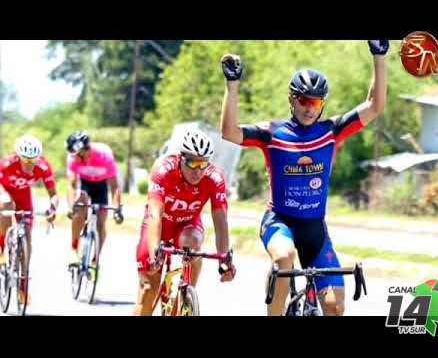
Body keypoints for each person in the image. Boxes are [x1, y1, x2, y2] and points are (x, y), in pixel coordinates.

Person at [220, 40, 389, 316]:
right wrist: (233, 85)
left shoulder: (331, 131)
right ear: (291, 99)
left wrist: (379, 55)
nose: (309, 108)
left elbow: (375, 105)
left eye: (316, 102)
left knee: (335, 308)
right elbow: (229, 132)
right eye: (303, 100)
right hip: (279, 222)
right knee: (284, 257)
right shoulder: (272, 133)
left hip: (314, 229)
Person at [134, 129, 236, 316]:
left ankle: (186, 294)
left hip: (187, 225)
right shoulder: (163, 169)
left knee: (193, 241)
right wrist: (154, 250)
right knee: (148, 288)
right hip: (160, 225)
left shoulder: (215, 178)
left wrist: (224, 258)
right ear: (181, 158)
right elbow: (155, 214)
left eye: (203, 163)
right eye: (192, 162)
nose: (198, 170)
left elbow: (220, 221)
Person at [0, 135, 59, 304]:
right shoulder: (7, 163)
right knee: (6, 205)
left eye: (32, 160)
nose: (28, 164)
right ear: (18, 156)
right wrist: (3, 194)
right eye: (25, 160)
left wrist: (53, 208)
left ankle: (23, 283)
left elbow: (54, 194)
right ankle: (1, 247)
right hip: (6, 191)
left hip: (24, 196)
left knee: (26, 235)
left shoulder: (43, 166)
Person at [65, 131, 124, 272]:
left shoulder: (105, 156)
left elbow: (114, 186)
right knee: (79, 208)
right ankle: (73, 249)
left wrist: (117, 208)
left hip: (101, 186)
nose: (75, 158)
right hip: (85, 185)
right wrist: (71, 206)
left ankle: (95, 259)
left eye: (78, 155)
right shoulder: (73, 158)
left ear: (86, 150)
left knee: (100, 223)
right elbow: (71, 185)